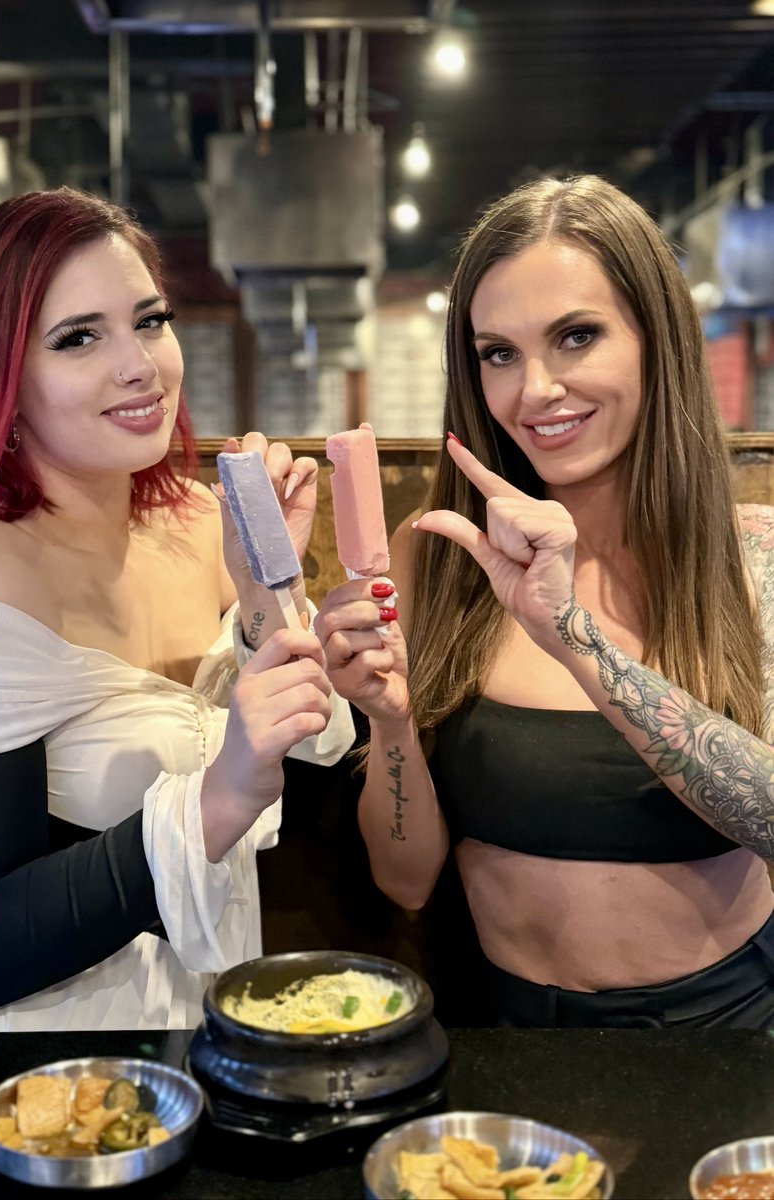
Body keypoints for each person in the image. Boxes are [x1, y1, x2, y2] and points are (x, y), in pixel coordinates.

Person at [0, 187, 354, 1031]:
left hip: (192, 1008)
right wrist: (217, 797)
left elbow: (301, 786)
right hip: (20, 1045)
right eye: (78, 337)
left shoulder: (204, 521)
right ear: (2, 378)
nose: (141, 365)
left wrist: (267, 599)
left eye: (150, 320)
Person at [316, 174, 774, 1029]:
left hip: (725, 1028)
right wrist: (388, 722)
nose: (535, 390)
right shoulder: (440, 557)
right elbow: (405, 882)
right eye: (499, 353)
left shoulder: (753, 558)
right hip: (502, 1025)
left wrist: (572, 635)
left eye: (577, 336)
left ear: (658, 340)